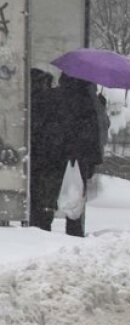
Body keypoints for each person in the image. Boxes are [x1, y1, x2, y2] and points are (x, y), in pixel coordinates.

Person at [52, 73, 108, 237]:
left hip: (56, 151)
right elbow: (96, 130)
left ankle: (43, 226)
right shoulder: (89, 101)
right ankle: (74, 229)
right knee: (76, 190)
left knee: (51, 189)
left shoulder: (57, 97)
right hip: (81, 154)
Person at [28, 68, 64, 230]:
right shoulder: (55, 100)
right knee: (46, 191)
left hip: (36, 152)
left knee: (36, 189)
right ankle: (44, 220)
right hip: (50, 153)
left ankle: (37, 219)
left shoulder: (31, 100)